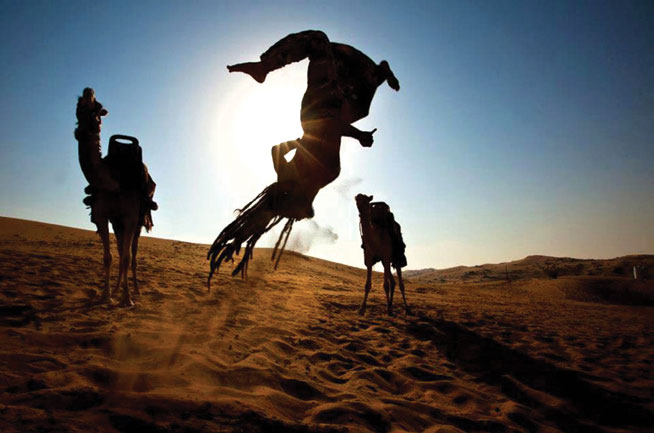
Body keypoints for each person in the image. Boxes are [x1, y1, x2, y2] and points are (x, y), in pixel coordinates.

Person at [227, 30, 399, 219]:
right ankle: (381, 72)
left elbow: (277, 149)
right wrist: (357, 135)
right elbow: (332, 128)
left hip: (316, 109)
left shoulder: (293, 178)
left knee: (320, 43)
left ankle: (264, 67)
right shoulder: (328, 173)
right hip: (339, 110)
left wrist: (301, 143)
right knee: (361, 89)